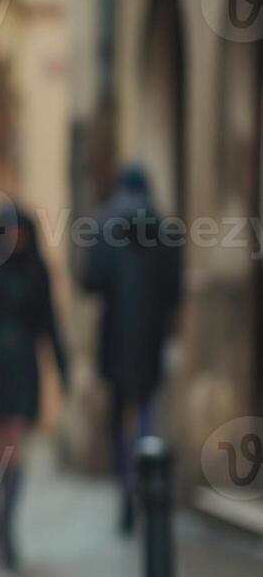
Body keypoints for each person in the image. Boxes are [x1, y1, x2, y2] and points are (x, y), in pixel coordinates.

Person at [0, 202, 69, 568]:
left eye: (21, 233)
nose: (16, 240)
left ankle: (6, 520)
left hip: (23, 370)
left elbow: (50, 322)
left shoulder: (36, 271)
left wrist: (62, 365)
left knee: (14, 442)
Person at [81, 164, 183, 533]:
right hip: (151, 337)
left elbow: (89, 281)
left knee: (117, 415)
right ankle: (146, 479)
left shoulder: (105, 224)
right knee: (145, 411)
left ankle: (125, 485)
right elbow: (174, 291)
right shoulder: (165, 227)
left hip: (115, 336)